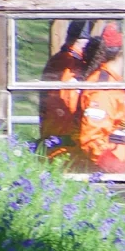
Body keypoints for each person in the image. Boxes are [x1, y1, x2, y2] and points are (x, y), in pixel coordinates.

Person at [75, 25, 125, 173]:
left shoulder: (116, 83)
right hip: (107, 174)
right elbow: (92, 139)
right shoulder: (104, 88)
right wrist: (115, 169)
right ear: (124, 52)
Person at [37, 19, 89, 155]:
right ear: (83, 42)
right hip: (63, 137)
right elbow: (70, 102)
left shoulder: (58, 59)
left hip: (53, 131)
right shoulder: (70, 63)